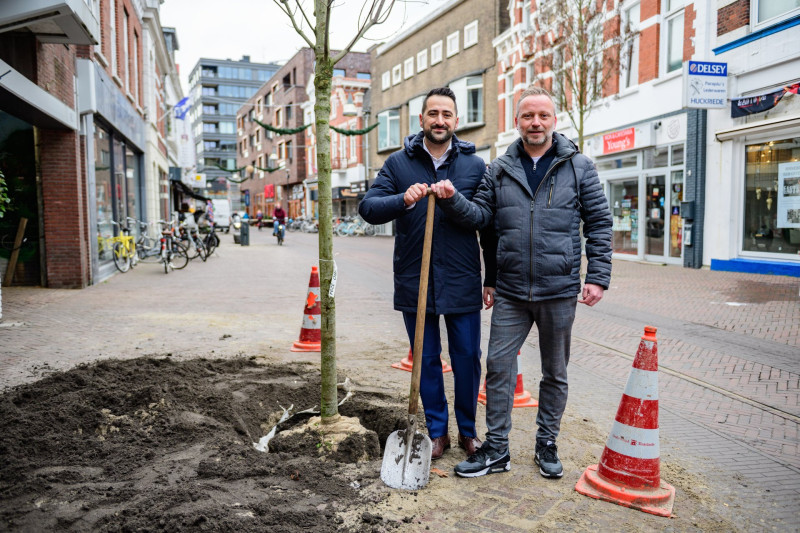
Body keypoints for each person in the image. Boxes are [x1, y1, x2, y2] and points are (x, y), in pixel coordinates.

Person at [431, 86, 613, 478]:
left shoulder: (579, 166)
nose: (535, 123)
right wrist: (451, 200)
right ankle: (496, 448)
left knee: (555, 372)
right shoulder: (499, 168)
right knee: (498, 366)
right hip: (512, 291)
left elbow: (599, 224)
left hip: (559, 289)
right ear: (517, 121)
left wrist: (597, 277)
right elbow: (482, 218)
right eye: (528, 116)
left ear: (554, 120)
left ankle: (546, 444)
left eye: (543, 116)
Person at [358, 87, 492, 460]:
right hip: (415, 281)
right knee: (426, 359)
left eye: (446, 114)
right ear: (421, 120)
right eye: (433, 114)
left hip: (463, 279)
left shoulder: (474, 166)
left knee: (467, 358)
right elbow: (368, 208)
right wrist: (403, 199)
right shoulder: (398, 164)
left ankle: (468, 431)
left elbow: (485, 219)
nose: (439, 121)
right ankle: (437, 432)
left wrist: (454, 200)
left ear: (456, 121)